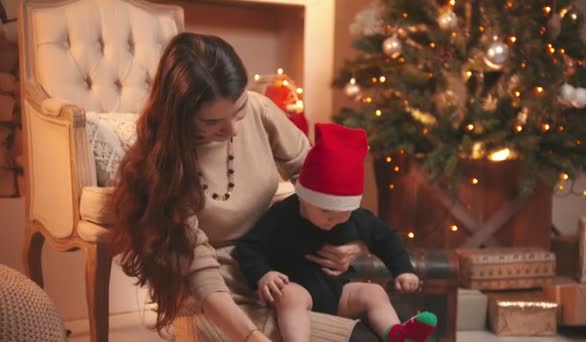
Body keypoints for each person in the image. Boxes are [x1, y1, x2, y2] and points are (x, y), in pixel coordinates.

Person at [110, 32, 385, 341]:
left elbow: (319, 181)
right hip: (220, 294)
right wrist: (253, 337)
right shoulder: (164, 169)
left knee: (384, 327)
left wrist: (349, 243)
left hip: (282, 269)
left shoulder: (259, 109)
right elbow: (202, 279)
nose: (233, 129)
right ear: (181, 117)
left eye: (238, 109)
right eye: (213, 123)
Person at [236, 123, 437, 342]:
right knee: (290, 296)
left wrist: (403, 270)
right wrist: (263, 274)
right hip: (298, 289)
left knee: (374, 293)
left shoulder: (358, 217)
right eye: (324, 211)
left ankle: (396, 334)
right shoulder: (283, 215)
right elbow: (249, 246)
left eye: (343, 213)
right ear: (304, 197)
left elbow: (386, 237)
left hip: (340, 293)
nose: (333, 219)